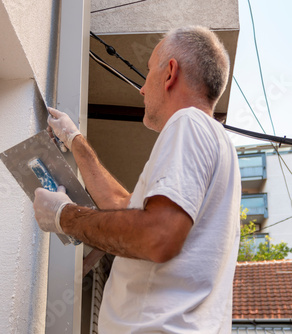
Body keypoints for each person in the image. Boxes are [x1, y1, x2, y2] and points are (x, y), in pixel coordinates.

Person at [33, 26, 241, 333]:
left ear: (170, 73)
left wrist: (65, 217)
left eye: (147, 72)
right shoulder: (218, 144)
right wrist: (74, 139)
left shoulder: (188, 123)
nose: (142, 89)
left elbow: (157, 236)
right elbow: (123, 206)